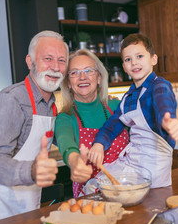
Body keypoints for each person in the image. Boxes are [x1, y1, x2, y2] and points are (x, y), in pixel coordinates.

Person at [0, 30, 69, 224]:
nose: (55, 67)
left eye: (61, 60)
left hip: (26, 200)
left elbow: (61, 135)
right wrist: (32, 171)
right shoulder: (11, 100)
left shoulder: (50, 105)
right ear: (30, 62)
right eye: (47, 59)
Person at [88, 33, 178, 188]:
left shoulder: (159, 85)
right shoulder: (127, 97)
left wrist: (167, 119)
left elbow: (163, 102)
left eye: (139, 56)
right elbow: (112, 125)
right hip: (132, 163)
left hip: (154, 168)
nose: (134, 63)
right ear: (124, 67)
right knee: (96, 183)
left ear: (153, 59)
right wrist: (99, 144)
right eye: (128, 59)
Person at [54, 49, 129, 198]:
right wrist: (75, 162)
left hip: (127, 189)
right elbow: (66, 143)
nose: (82, 77)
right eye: (74, 72)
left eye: (89, 71)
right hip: (91, 198)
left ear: (99, 78)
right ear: (68, 82)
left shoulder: (116, 106)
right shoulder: (65, 117)